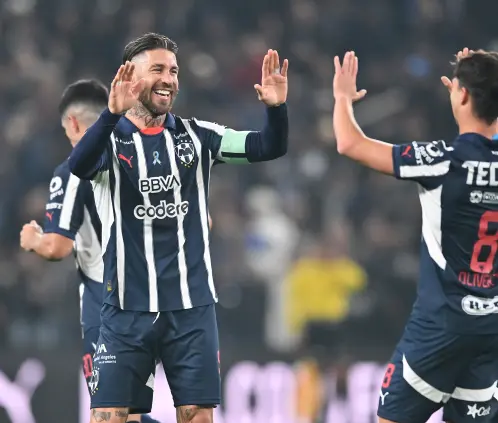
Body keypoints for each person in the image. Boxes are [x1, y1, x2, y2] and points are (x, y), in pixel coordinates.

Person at [68, 32, 289, 423]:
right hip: (125, 308)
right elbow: (80, 165)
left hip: (191, 308)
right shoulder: (109, 140)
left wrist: (276, 109)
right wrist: (109, 114)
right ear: (129, 77)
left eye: (173, 70)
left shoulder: (198, 136)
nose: (168, 78)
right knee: (108, 417)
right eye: (157, 69)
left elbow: (267, 146)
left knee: (197, 416)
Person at [332, 48, 498, 423]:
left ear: (463, 95)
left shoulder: (442, 159)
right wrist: (479, 83)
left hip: (440, 325)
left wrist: (343, 97)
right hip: (490, 326)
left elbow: (349, 144)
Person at [19, 79, 160, 423]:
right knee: (128, 413)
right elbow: (204, 221)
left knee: (108, 414)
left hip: (108, 301)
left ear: (73, 123)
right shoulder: (149, 157)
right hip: (157, 299)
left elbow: (57, 247)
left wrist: (34, 239)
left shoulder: (72, 172)